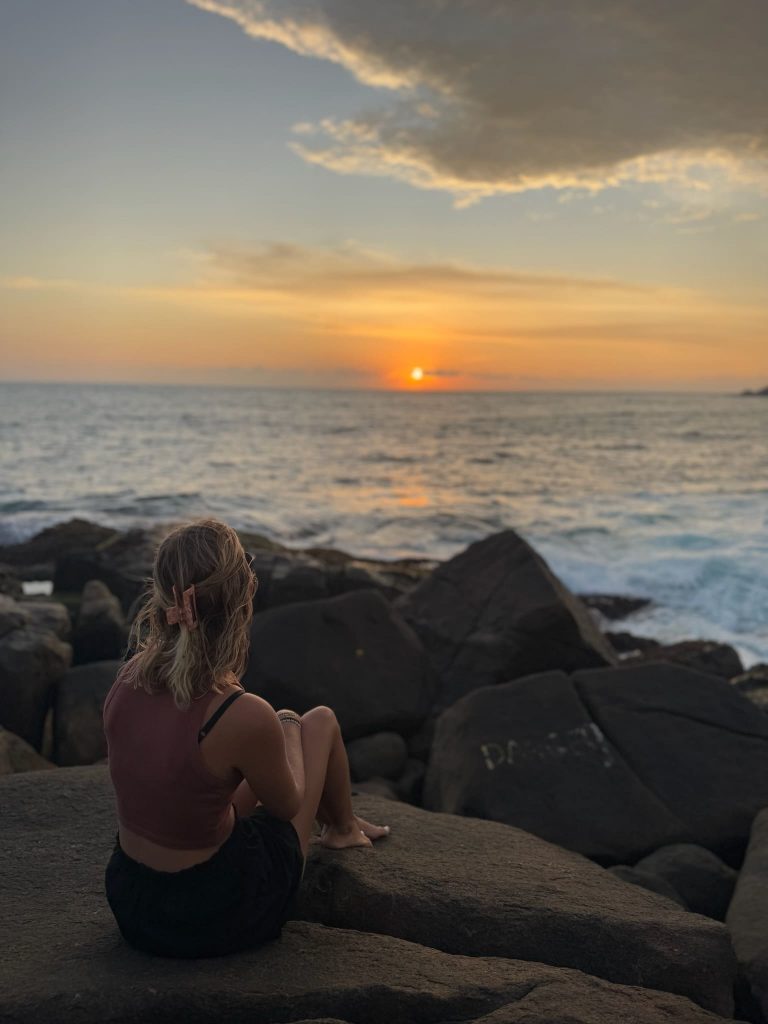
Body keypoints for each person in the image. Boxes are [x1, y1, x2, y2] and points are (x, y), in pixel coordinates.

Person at [103, 518, 389, 958]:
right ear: (240, 602)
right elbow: (287, 807)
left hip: (133, 900)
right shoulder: (240, 714)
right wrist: (287, 724)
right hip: (210, 913)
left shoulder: (125, 682)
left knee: (234, 765)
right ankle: (344, 828)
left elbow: (185, 786)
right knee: (321, 721)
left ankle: (344, 823)